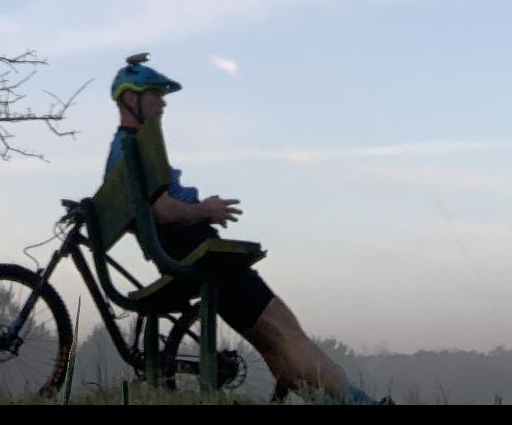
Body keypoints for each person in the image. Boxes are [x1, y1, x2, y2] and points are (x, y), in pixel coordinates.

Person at [105, 53, 388, 404]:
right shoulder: (133, 149)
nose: (163, 104)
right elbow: (163, 212)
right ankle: (360, 402)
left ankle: (326, 401)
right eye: (155, 95)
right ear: (131, 98)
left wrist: (196, 211)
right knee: (286, 331)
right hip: (198, 251)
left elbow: (157, 211)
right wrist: (203, 210)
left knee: (269, 340)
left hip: (184, 250)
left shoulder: (122, 150)